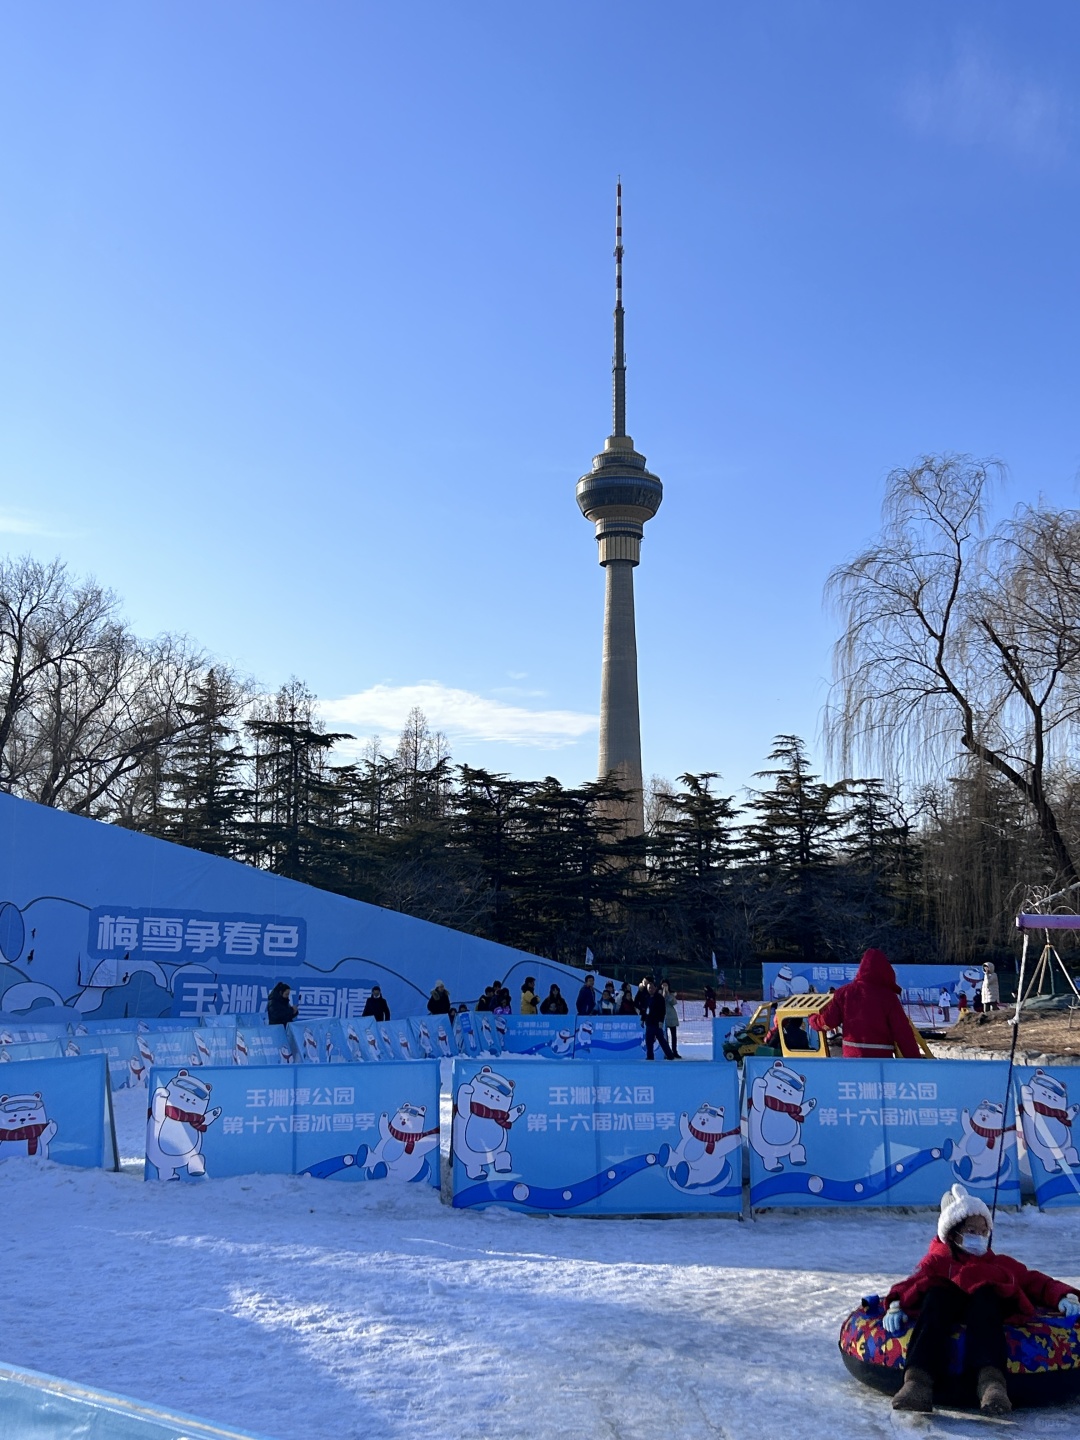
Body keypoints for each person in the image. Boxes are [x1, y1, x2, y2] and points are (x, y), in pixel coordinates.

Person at [886, 1183, 1080, 1414]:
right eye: (971, 1231)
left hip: (985, 1312)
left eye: (983, 1231)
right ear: (952, 1233)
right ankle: (917, 1382)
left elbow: (1034, 1281)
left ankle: (991, 1384)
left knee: (985, 1296)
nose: (978, 1237)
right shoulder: (937, 1264)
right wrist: (896, 1303)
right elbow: (912, 1284)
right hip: (946, 1308)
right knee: (937, 1295)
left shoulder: (996, 1264)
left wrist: (1062, 1296)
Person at [808, 948, 922, 1058]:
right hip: (881, 1062)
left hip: (852, 1059)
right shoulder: (889, 997)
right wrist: (915, 1060)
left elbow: (828, 1021)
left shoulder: (844, 993)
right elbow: (903, 1033)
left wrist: (813, 1019)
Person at [641, 978, 674, 1060]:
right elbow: (644, 1010)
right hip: (649, 1022)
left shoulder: (659, 998)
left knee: (661, 1040)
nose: (650, 989)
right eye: (649, 988)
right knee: (649, 1041)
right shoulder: (646, 998)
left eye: (652, 988)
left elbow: (663, 1011)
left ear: (655, 988)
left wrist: (661, 1021)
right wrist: (643, 1019)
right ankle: (650, 1056)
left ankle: (670, 1055)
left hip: (657, 1022)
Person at [661, 980, 681, 1058]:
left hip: (671, 1016)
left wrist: (668, 995)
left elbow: (674, 1002)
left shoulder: (671, 994)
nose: (665, 987)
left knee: (673, 1035)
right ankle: (667, 1051)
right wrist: (663, 995)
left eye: (666, 985)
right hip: (663, 1016)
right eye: (663, 985)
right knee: (664, 1036)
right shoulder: (658, 993)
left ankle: (674, 1051)